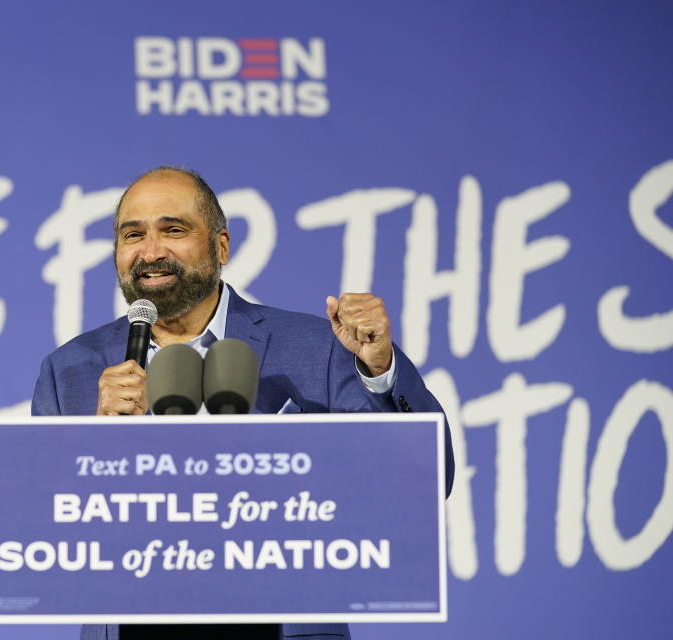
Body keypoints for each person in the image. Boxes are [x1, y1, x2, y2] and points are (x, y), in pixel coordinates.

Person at [32, 166, 455, 640]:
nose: (150, 252)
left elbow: (424, 482)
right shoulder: (70, 371)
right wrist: (93, 445)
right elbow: (41, 538)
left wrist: (379, 372)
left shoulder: (319, 347)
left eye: (173, 229)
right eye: (133, 234)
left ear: (221, 246)